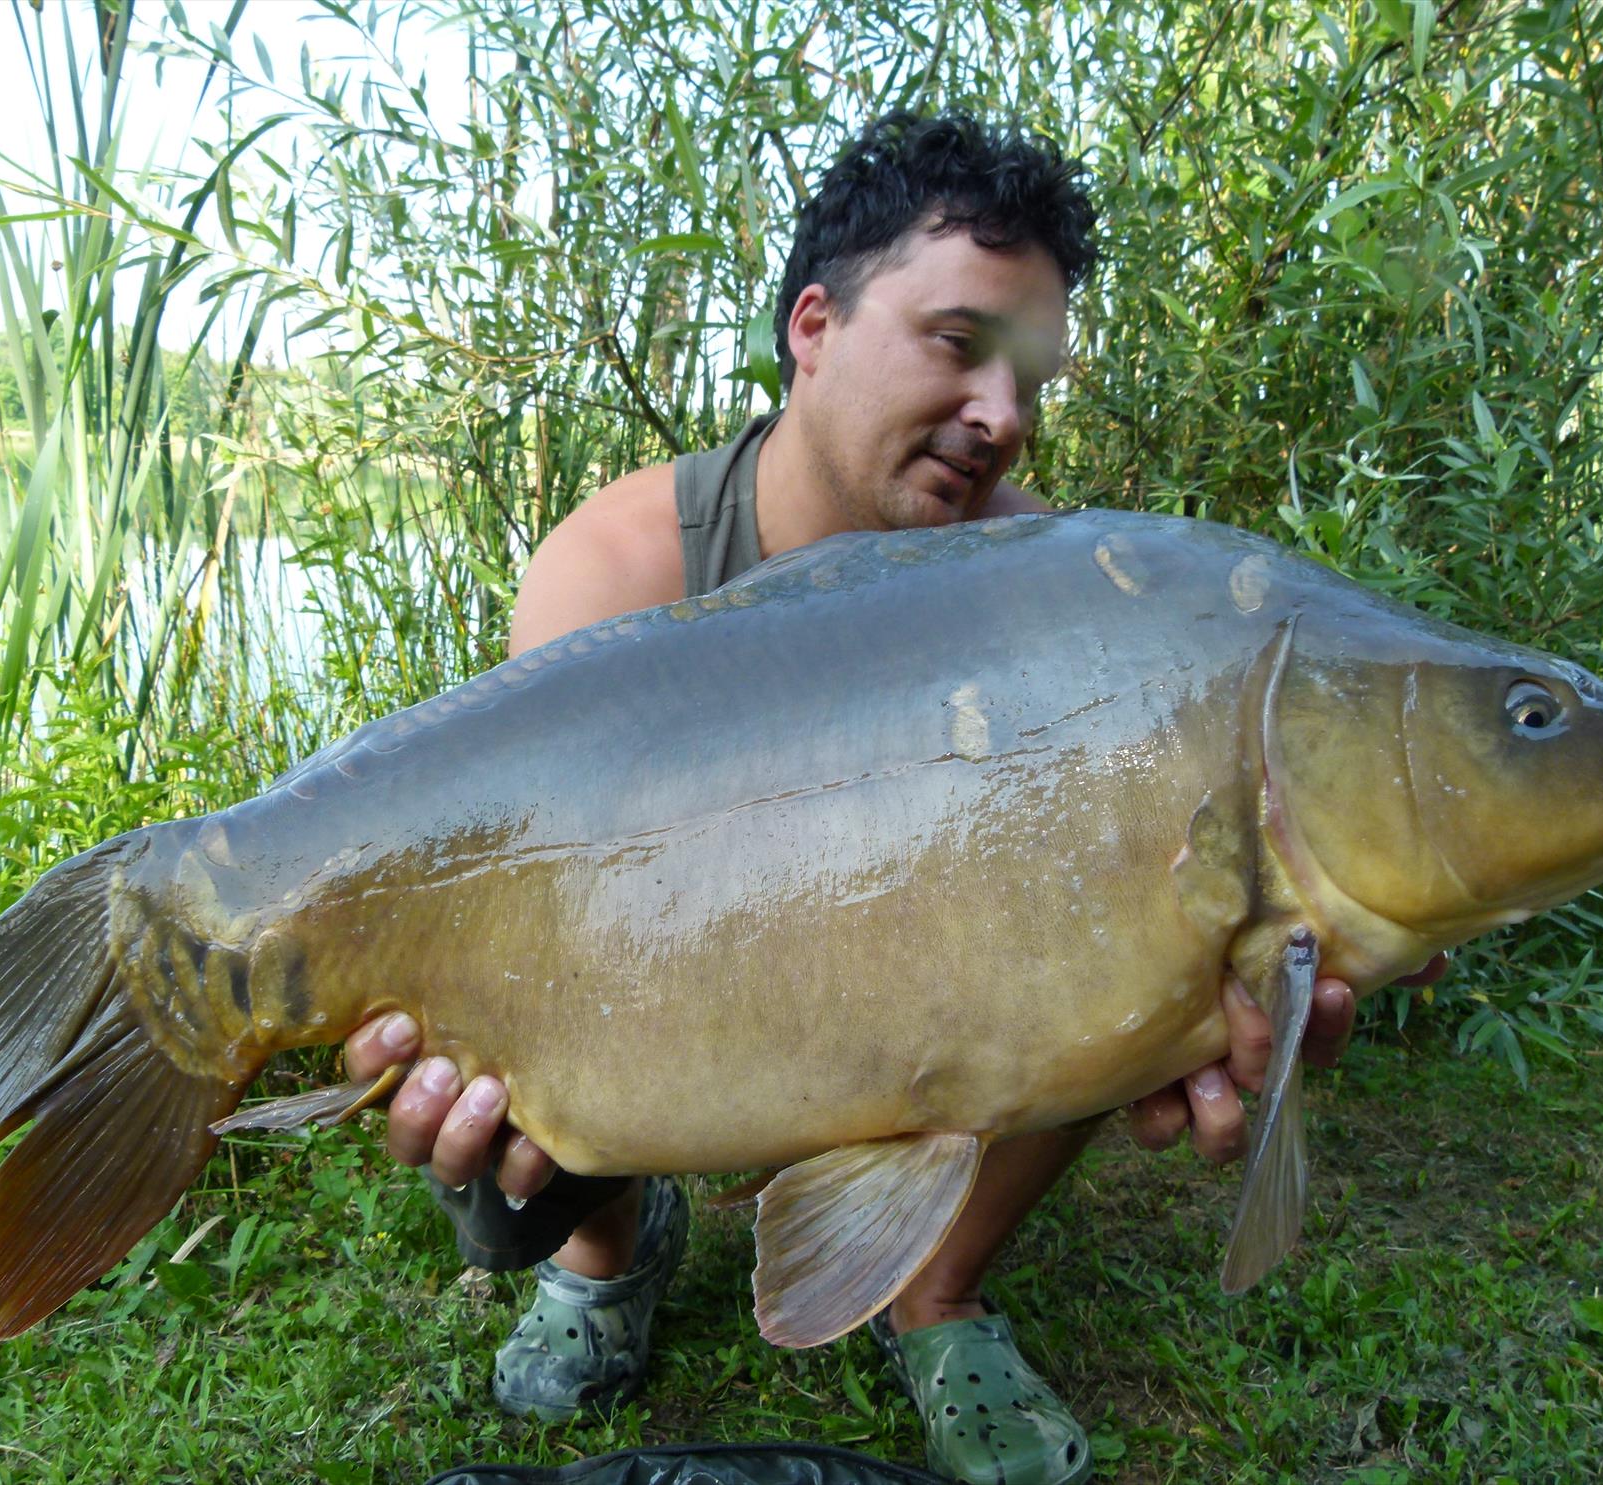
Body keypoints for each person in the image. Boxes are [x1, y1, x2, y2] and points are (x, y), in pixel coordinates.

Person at [342, 112, 1420, 1485]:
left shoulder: (1057, 588)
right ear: (813, 325)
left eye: (1032, 378)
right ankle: (611, 1261)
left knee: (1135, 915)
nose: (1006, 416)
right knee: (507, 1167)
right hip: (657, 987)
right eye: (962, 345)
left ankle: (938, 1285)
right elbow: (544, 911)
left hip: (917, 990)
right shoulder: (613, 568)